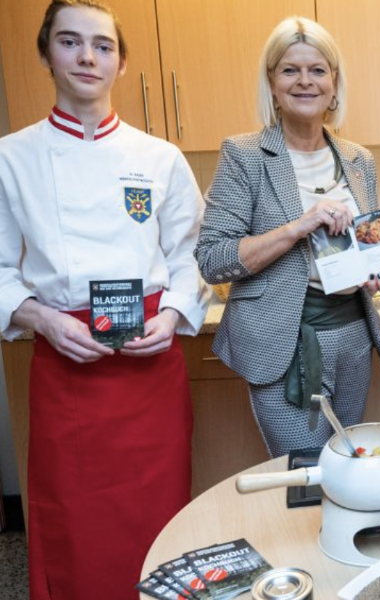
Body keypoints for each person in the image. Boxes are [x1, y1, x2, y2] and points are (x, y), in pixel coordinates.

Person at [0, 1, 210, 598]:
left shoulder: (159, 158)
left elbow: (192, 257)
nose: (87, 57)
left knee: (159, 513)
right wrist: (42, 318)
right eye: (70, 42)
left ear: (121, 64)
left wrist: (173, 314)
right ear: (46, 54)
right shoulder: (11, 158)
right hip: (66, 367)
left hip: (150, 369)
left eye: (103, 45)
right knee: (74, 523)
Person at [194, 16, 380, 458]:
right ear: (272, 82)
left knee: (347, 467)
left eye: (317, 70)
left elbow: (364, 248)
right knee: (305, 471)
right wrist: (297, 227)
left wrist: (377, 273)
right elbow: (212, 259)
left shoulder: (358, 160)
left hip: (354, 337)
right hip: (284, 342)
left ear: (334, 81)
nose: (305, 81)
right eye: (290, 70)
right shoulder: (244, 155)